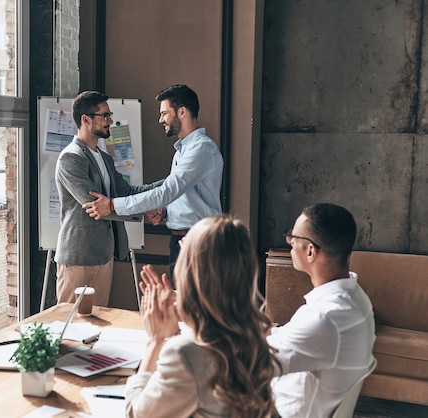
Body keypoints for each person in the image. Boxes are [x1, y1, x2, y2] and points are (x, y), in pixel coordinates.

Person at [125, 215, 279, 418]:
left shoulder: (186, 353)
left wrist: (156, 341)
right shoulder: (255, 334)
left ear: (190, 271)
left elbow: (136, 413)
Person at [82, 84, 223, 282]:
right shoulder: (183, 151)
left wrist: (113, 205)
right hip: (182, 240)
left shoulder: (201, 149)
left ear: (182, 112)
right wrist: (165, 212)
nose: (160, 119)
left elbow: (167, 191)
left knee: (194, 310)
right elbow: (182, 195)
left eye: (165, 113)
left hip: (200, 243)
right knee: (181, 307)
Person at [267, 203, 375, 418]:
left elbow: (249, 365)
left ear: (310, 251)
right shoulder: (355, 297)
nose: (289, 241)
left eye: (293, 237)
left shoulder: (325, 318)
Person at [54, 91, 162, 306]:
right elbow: (97, 207)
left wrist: (169, 184)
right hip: (79, 257)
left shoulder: (104, 158)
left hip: (104, 255)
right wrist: (144, 214)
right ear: (86, 119)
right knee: (69, 324)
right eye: (105, 116)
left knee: (98, 324)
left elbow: (126, 192)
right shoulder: (70, 158)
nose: (110, 121)